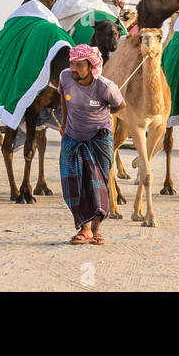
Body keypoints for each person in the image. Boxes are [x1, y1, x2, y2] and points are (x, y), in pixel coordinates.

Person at [58, 43, 125, 245]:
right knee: (73, 183)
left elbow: (120, 105)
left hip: (99, 138)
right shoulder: (65, 77)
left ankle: (95, 230)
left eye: (79, 65)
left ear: (91, 66)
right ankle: (83, 229)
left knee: (98, 184)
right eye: (72, 64)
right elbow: (63, 95)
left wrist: (101, 114)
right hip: (72, 136)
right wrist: (64, 120)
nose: (74, 69)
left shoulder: (105, 87)